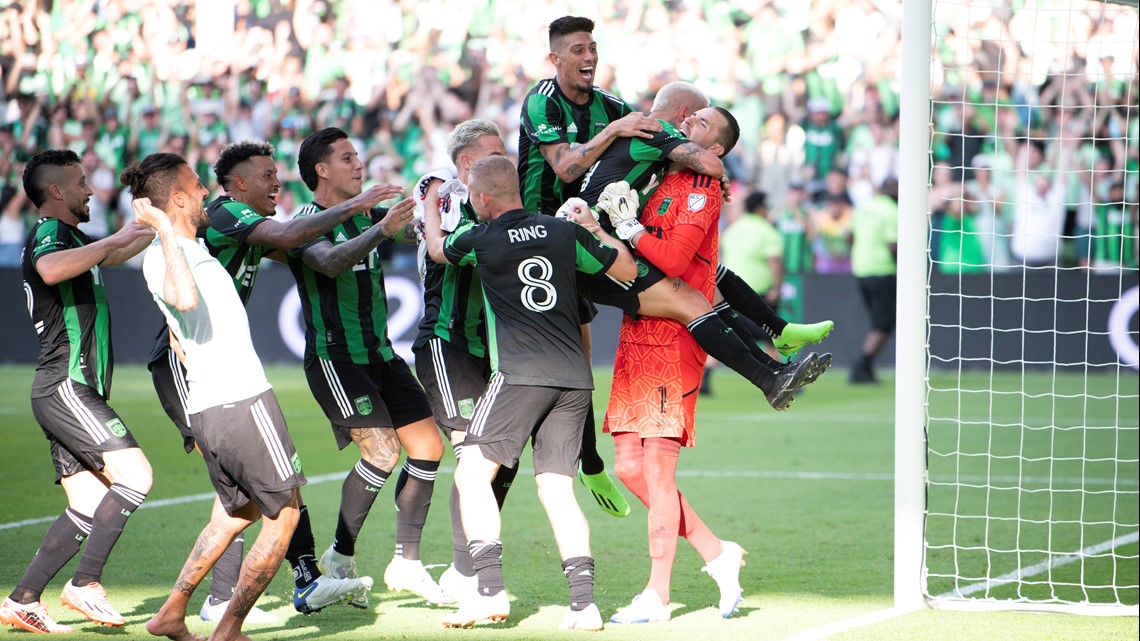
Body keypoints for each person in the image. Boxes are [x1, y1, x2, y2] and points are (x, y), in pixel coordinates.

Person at [146, 140, 399, 622]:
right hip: (188, 364)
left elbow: (307, 251)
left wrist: (371, 232)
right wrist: (353, 205)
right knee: (246, 487)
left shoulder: (244, 229)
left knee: (259, 487)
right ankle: (229, 597)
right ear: (238, 183)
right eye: (266, 174)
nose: (276, 182)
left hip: (213, 364)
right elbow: (289, 237)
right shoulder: (224, 213)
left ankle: (301, 577)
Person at [428, 155, 637, 631]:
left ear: (481, 198)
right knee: (557, 489)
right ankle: (585, 605)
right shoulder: (563, 232)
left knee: (472, 473)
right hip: (574, 377)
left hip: (520, 373)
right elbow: (623, 269)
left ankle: (486, 591)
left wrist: (430, 203)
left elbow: (439, 249)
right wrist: (594, 226)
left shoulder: (480, 237)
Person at [119, 153, 307, 641]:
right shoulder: (168, 250)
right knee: (284, 515)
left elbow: (180, 334)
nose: (206, 192)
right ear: (177, 198)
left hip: (212, 403)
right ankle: (228, 629)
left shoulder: (185, 248)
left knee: (235, 514)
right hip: (240, 399)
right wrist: (162, 228)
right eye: (198, 185)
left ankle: (172, 612)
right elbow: (182, 301)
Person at [598, 107, 750, 624]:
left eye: (702, 123)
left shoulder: (700, 188)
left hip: (674, 336)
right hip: (639, 329)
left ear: (719, 151)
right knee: (626, 466)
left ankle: (657, 596)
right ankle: (717, 552)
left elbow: (675, 262)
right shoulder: (664, 175)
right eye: (689, 119)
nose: (689, 125)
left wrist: (628, 227)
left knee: (659, 471)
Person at [287, 127, 450, 606]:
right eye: (347, 158)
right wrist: (379, 230)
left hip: (381, 355)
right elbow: (331, 262)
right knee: (381, 453)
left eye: (358, 157)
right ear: (321, 169)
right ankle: (339, 556)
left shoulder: (370, 214)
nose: (359, 165)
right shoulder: (304, 223)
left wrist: (437, 193)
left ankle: (406, 560)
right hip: (337, 359)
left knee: (428, 448)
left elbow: (416, 220)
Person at [0, 150, 154, 634]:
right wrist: (119, 236)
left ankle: (23, 600)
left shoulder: (74, 239)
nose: (92, 190)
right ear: (57, 192)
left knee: (88, 506)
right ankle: (85, 583)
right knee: (137, 476)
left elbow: (120, 247)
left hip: (66, 389)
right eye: (82, 182)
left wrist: (160, 226)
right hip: (67, 384)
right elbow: (49, 270)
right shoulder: (50, 233)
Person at [517, 15, 663, 518]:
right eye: (578, 49)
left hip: (581, 238)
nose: (589, 57)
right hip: (535, 242)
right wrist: (616, 131)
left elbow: (655, 140)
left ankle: (587, 458)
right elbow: (565, 166)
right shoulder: (542, 101)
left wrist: (702, 162)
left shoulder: (612, 106)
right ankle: (575, 458)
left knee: (579, 361)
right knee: (553, 362)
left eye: (593, 48)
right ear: (555, 58)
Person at [412, 119, 516, 604]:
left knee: (499, 458)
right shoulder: (450, 195)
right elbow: (448, 244)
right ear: (469, 163)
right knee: (475, 456)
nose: (505, 161)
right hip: (445, 342)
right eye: (495, 153)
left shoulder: (487, 200)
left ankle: (464, 566)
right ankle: (463, 570)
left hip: (482, 350)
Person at [849, 178, 899, 384]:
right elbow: (893, 245)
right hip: (883, 269)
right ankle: (862, 365)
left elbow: (850, 236)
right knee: (883, 323)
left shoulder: (863, 208)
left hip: (861, 268)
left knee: (878, 322)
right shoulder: (892, 211)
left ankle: (865, 366)